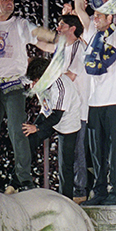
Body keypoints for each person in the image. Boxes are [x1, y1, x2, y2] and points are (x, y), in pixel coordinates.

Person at [73, 0, 116, 206]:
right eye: (95, 15)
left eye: (100, 16)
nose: (96, 18)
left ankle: (115, 191)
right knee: (97, 151)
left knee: (114, 150)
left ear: (110, 18)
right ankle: (98, 191)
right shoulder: (90, 33)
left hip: (115, 100)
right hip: (94, 102)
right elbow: (79, 8)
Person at [0, 0, 56, 193]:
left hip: (13, 85)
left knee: (18, 132)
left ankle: (24, 179)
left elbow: (38, 35)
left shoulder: (19, 24)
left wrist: (55, 38)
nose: (9, 2)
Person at [36, 13, 90, 203]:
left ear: (72, 28)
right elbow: (45, 45)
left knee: (76, 151)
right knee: (65, 153)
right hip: (62, 107)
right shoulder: (63, 47)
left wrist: (50, 77)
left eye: (62, 25)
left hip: (77, 109)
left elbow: (71, 75)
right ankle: (65, 192)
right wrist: (29, 36)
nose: (58, 28)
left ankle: (79, 190)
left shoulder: (78, 47)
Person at [22, 57, 82, 199]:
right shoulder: (40, 85)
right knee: (29, 140)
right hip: (49, 113)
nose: (32, 85)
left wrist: (36, 127)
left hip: (67, 122)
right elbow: (46, 108)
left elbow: (56, 117)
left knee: (65, 163)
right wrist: (35, 128)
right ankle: (18, 181)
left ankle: (67, 198)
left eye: (35, 81)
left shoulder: (61, 87)